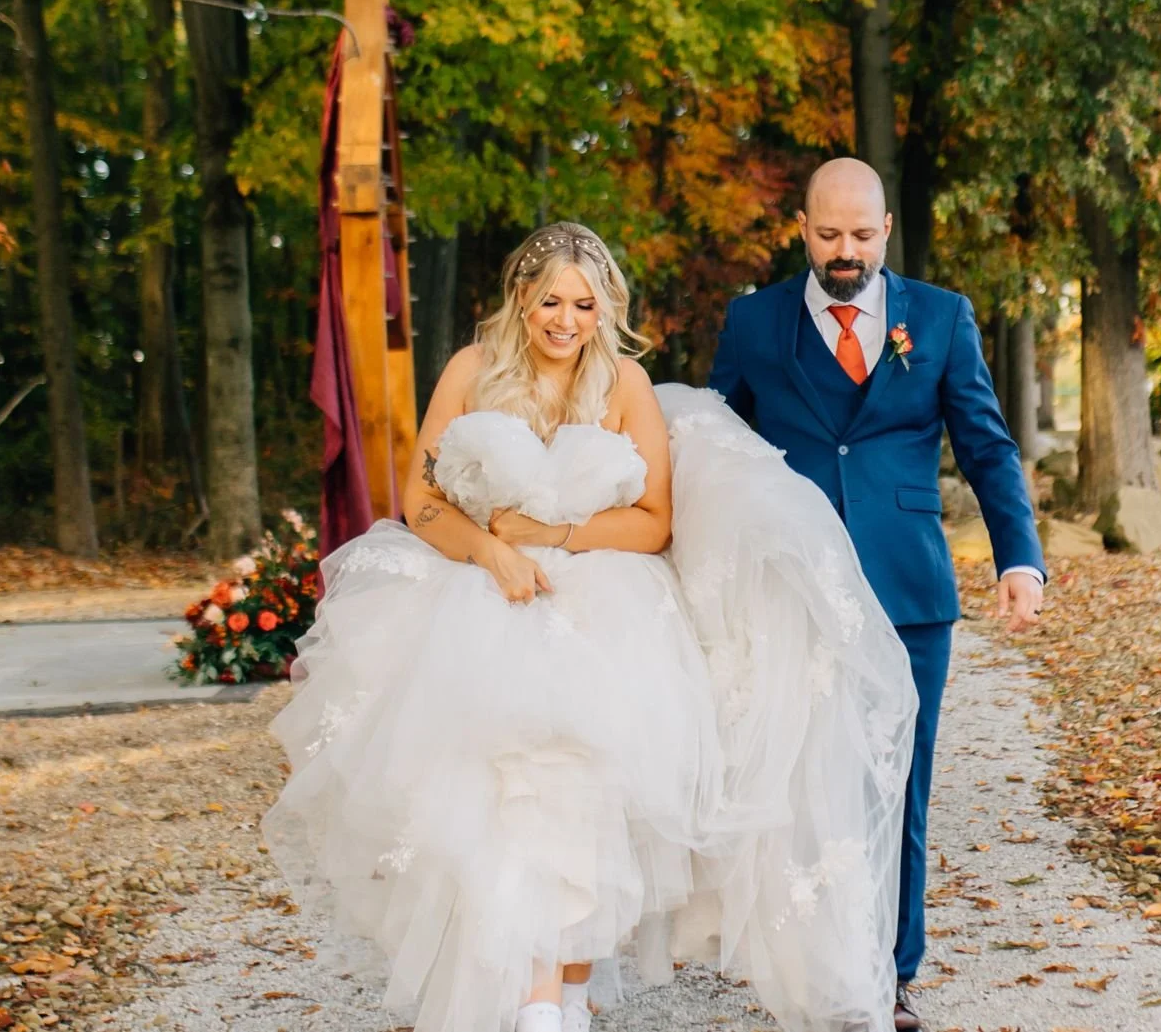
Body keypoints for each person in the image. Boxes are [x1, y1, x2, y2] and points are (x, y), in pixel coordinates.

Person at [264, 220, 918, 1032]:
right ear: (520, 299)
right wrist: (491, 554)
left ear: (605, 307)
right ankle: (532, 989)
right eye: (549, 301)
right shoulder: (472, 371)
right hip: (480, 599)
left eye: (582, 303)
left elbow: (654, 521)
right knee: (502, 798)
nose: (564, 320)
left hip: (610, 609)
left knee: (588, 796)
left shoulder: (624, 386)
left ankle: (559, 994)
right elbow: (420, 498)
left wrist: (557, 536)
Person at [709, 159, 1048, 1032]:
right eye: (829, 235)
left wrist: (1021, 558)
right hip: (794, 592)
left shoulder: (940, 317)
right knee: (800, 779)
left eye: (862, 235)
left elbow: (986, 443)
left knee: (899, 779)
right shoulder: (754, 322)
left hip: (907, 592)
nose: (846, 251)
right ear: (803, 228)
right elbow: (711, 445)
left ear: (887, 228)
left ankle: (889, 974)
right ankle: (810, 955)